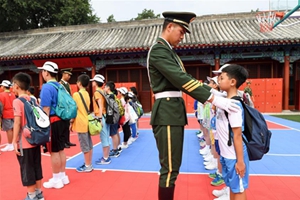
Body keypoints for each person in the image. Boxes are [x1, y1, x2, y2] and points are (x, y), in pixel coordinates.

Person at [146, 11, 240, 200]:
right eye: (181, 31)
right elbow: (180, 79)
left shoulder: (168, 51)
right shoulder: (159, 50)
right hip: (167, 111)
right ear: (169, 27)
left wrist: (212, 92)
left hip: (172, 111)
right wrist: (214, 99)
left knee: (173, 167)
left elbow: (185, 79)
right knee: (170, 168)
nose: (182, 37)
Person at [214, 64, 249, 200]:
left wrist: (240, 161)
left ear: (233, 82)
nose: (219, 81)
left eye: (222, 78)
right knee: (233, 188)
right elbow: (211, 93)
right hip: (226, 154)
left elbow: (238, 135)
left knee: (238, 189)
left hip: (234, 155)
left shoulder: (233, 105)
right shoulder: (225, 100)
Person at [11, 72, 44, 200]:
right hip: (35, 139)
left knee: (27, 168)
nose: (12, 87)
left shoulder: (17, 102)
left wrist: (14, 141)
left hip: (24, 141)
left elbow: (18, 122)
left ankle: (31, 196)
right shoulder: (33, 100)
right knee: (36, 166)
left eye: (13, 84)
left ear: (17, 86)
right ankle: (39, 193)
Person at [38, 61, 69, 189]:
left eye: (43, 71)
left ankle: (56, 179)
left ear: (46, 72)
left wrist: (43, 126)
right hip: (62, 120)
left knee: (54, 151)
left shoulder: (46, 87)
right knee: (60, 149)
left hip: (53, 121)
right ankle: (62, 176)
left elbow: (45, 108)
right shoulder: (60, 85)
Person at [70, 74, 93, 172]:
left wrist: (71, 121)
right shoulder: (87, 94)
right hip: (87, 120)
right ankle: (89, 163)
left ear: (79, 83)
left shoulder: (76, 95)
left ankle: (87, 165)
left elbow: (74, 109)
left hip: (80, 122)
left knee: (84, 145)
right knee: (89, 143)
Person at [91, 74, 111, 165]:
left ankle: (105, 158)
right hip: (105, 115)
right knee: (106, 136)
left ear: (96, 82)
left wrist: (99, 118)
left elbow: (100, 105)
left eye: (93, 81)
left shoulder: (97, 92)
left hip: (101, 115)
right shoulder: (103, 91)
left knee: (104, 137)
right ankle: (107, 156)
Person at [60, 68, 76, 148]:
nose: (69, 76)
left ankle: (67, 140)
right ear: (63, 74)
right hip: (63, 107)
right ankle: (63, 142)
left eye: (70, 75)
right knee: (63, 126)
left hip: (68, 107)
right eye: (68, 74)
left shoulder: (68, 85)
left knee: (67, 124)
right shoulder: (60, 84)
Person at [0, 80, 16, 152]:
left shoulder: (1, 95)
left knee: (8, 130)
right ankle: (12, 143)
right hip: (13, 112)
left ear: (3, 86)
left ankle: (10, 144)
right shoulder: (13, 94)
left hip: (6, 113)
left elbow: (1, 106)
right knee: (12, 129)